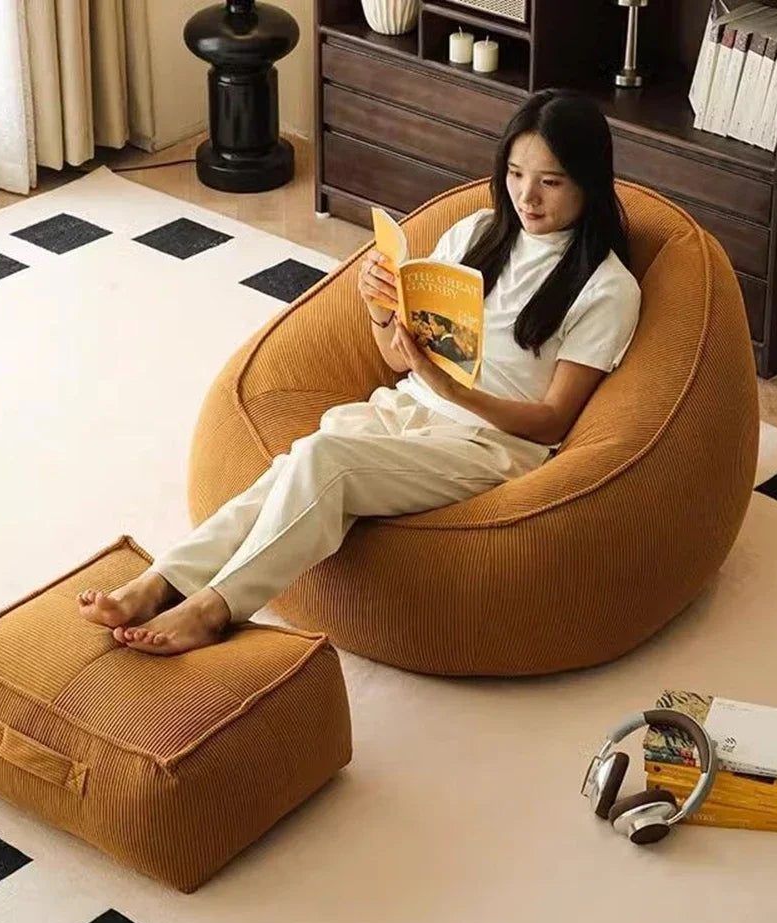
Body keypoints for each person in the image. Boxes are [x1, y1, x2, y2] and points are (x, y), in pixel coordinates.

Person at [77, 88, 642, 656]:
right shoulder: (476, 233)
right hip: (407, 406)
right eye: (516, 173)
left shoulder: (607, 288)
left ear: (589, 182)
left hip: (492, 444)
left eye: (552, 181)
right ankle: (163, 582)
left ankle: (212, 609)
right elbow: (398, 358)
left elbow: (551, 422)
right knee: (296, 463)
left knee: (328, 461)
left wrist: (451, 389)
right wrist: (379, 310)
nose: (527, 195)